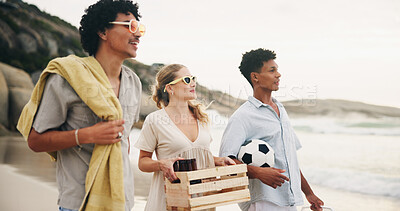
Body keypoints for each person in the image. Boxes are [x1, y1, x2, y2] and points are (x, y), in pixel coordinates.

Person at [16, 0, 144, 210]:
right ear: (103, 31)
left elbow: (125, 140)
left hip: (122, 201)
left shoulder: (134, 83)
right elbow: (35, 140)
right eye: (129, 26)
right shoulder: (68, 77)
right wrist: (87, 135)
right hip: (78, 202)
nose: (138, 34)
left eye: (139, 28)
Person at [219, 48, 324, 211]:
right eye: (272, 70)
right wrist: (258, 173)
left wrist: (308, 193)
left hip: (289, 200)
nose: (278, 75)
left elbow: (291, 159)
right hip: (263, 202)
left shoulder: (281, 111)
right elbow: (225, 162)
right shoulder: (242, 117)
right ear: (255, 77)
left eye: (277, 70)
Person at [134, 64, 235, 211]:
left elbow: (196, 153)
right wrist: (161, 164)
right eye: (187, 79)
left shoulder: (202, 118)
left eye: (193, 78)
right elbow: (143, 162)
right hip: (170, 200)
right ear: (170, 88)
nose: (193, 83)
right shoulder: (154, 120)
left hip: (202, 200)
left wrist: (218, 160)